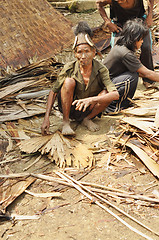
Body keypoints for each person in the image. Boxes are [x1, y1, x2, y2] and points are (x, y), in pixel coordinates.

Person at [41, 21, 119, 136]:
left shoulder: (101, 69)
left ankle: (87, 119)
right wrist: (46, 117)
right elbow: (54, 91)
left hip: (89, 108)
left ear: (94, 53)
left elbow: (115, 94)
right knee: (68, 82)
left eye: (87, 51)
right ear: (75, 54)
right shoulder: (69, 68)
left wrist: (91, 100)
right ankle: (66, 122)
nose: (83, 56)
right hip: (70, 108)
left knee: (106, 93)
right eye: (80, 52)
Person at [103, 18, 159, 114]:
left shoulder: (121, 45)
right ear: (134, 39)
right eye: (141, 39)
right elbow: (146, 74)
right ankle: (113, 107)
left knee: (133, 74)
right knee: (131, 77)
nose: (142, 42)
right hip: (106, 85)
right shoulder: (125, 53)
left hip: (110, 81)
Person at [96, 0, 154, 87]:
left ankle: (149, 79)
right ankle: (118, 78)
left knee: (146, 46)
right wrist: (107, 22)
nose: (118, 2)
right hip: (119, 23)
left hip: (138, 21)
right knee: (117, 49)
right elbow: (98, 4)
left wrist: (149, 15)